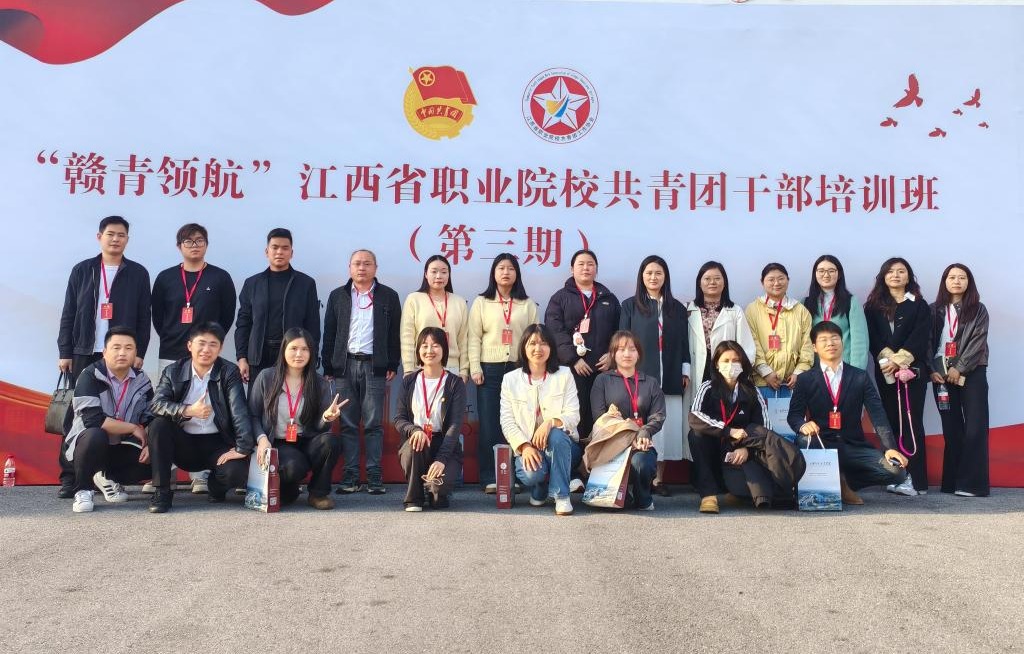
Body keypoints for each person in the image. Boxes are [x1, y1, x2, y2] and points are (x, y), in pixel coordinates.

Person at [57, 215, 152, 498]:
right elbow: (69, 312)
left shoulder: (137, 273)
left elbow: (144, 317)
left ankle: (105, 474)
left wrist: (139, 352)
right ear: (100, 237)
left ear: (127, 239)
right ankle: (71, 477)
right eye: (110, 234)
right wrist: (65, 351)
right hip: (85, 351)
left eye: (121, 235)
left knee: (119, 410)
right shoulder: (83, 270)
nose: (115, 239)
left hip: (121, 352)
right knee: (77, 416)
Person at [151, 222, 236, 494]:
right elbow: (158, 316)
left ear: (206, 245)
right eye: (188, 241)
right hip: (172, 353)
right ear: (179, 247)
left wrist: (208, 343)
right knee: (168, 412)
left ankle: (200, 476)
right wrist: (174, 337)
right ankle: (164, 474)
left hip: (206, 356)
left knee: (204, 408)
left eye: (199, 240)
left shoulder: (220, 278)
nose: (194, 245)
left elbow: (227, 316)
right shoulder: (165, 278)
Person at [788, 321, 909, 505]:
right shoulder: (805, 379)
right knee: (804, 440)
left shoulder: (860, 376)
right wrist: (803, 425)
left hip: (853, 445)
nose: (830, 343)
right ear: (814, 347)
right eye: (823, 340)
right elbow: (794, 415)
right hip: (822, 443)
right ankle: (834, 485)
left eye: (835, 338)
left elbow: (877, 414)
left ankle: (845, 483)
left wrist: (889, 447)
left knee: (897, 472)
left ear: (842, 342)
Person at [147, 322, 253, 513]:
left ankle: (215, 487)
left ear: (220, 348)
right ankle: (162, 491)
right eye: (201, 343)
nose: (206, 350)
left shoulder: (229, 372)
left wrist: (242, 447)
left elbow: (239, 410)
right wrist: (187, 410)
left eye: (213, 344)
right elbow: (156, 405)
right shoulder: (173, 371)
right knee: (158, 424)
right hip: (184, 444)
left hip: (218, 443)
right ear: (190, 345)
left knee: (236, 472)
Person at [689, 341, 806, 513]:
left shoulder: (752, 391)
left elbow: (763, 428)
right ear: (716, 364)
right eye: (726, 361)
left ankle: (739, 492)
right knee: (696, 435)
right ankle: (708, 495)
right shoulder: (707, 387)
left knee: (758, 440)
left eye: (736, 360)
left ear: (743, 364)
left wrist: (747, 450)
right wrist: (728, 431)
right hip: (714, 449)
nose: (731, 365)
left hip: (739, 452)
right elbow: (694, 416)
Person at [321, 249, 402, 495]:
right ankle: (351, 475)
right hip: (344, 366)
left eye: (367, 263)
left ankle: (375, 475)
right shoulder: (338, 296)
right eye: (357, 263)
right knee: (347, 423)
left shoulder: (388, 296)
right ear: (350, 267)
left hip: (374, 366)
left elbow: (394, 334)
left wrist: (392, 364)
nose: (362, 268)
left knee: (373, 423)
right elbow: (330, 332)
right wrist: (329, 365)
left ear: (375, 268)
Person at [250, 328, 345, 510]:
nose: (299, 354)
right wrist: (261, 439)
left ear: (311, 353)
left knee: (331, 442)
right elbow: (253, 414)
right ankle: (290, 485)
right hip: (279, 443)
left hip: (307, 439)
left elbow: (320, 428)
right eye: (293, 348)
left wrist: (326, 418)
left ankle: (318, 493)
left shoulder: (320, 383)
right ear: (283, 350)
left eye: (304, 349)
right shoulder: (266, 377)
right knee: (291, 477)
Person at [619, 255, 689, 496]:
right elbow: (622, 341)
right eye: (649, 273)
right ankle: (638, 477)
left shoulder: (677, 308)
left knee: (666, 428)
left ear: (665, 277)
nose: (653, 277)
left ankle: (658, 479)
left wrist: (685, 370)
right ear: (641, 276)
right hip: (640, 376)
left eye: (658, 273)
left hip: (670, 372)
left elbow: (684, 341)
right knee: (640, 424)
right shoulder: (630, 306)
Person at [468, 253, 538, 493]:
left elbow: (535, 339)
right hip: (489, 369)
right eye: (501, 268)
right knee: (489, 424)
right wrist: (475, 367)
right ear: (493, 273)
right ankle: (490, 476)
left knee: (518, 423)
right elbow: (474, 337)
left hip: (519, 369)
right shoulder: (481, 302)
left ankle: (516, 475)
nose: (506, 272)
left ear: (517, 273)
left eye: (510, 268)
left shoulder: (527, 304)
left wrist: (532, 369)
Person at [63, 327, 153, 513]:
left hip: (121, 444)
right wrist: (132, 427)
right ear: (104, 352)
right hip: (87, 444)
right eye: (116, 347)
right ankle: (83, 490)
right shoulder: (90, 375)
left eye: (128, 348)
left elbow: (151, 416)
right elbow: (92, 420)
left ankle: (107, 477)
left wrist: (151, 443)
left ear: (136, 352)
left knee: (155, 457)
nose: (122, 353)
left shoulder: (142, 380)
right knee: (95, 435)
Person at [864, 257, 932, 496]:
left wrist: (899, 360)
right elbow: (872, 337)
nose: (895, 275)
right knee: (890, 422)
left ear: (908, 276)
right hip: (885, 373)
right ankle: (895, 476)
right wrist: (888, 360)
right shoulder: (872, 307)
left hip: (912, 373)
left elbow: (921, 337)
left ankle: (917, 480)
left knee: (912, 424)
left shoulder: (920, 305)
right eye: (890, 271)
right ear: (883, 276)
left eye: (901, 271)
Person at [499, 324, 581, 516]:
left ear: (551, 347)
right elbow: (507, 421)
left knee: (556, 436)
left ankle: (562, 496)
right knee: (531, 474)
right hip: (529, 447)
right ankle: (541, 486)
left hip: (563, 445)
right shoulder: (510, 379)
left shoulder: (564, 374)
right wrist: (525, 446)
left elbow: (573, 415)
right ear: (524, 347)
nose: (538, 348)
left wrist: (550, 423)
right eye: (532, 343)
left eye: (544, 343)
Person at [544, 249, 621, 439]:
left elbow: (620, 331)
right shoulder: (560, 298)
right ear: (572, 269)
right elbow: (554, 331)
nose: (586, 268)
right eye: (581, 264)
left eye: (590, 264)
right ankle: (575, 456)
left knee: (602, 418)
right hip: (572, 370)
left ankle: (600, 455)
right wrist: (573, 359)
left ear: (596, 269)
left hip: (603, 370)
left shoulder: (609, 299)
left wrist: (613, 355)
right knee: (574, 417)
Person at [929, 263, 990, 497]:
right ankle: (952, 483)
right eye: (952, 277)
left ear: (969, 282)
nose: (956, 281)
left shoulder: (978, 309)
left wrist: (960, 368)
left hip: (972, 373)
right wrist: (931, 369)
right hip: (941, 374)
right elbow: (926, 342)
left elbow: (978, 341)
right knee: (951, 429)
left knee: (975, 427)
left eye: (962, 277)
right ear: (944, 281)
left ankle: (973, 485)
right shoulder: (934, 309)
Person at [235, 228, 320, 391]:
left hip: (292, 356)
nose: (279, 252)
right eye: (275, 247)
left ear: (291, 253)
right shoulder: (252, 284)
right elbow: (243, 324)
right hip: (258, 357)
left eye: (285, 248)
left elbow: (313, 326)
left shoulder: (306, 284)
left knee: (290, 402)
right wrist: (242, 358)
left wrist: (311, 358)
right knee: (257, 403)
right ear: (267, 251)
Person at [393, 328, 467, 512]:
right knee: (415, 443)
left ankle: (434, 490)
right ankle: (414, 497)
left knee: (437, 490)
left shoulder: (455, 383)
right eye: (424, 346)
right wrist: (414, 430)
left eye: (435, 345)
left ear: (444, 350)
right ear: (418, 349)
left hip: (444, 444)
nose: (429, 350)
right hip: (418, 443)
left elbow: (455, 426)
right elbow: (399, 419)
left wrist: (442, 459)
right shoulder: (409, 381)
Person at [589, 330, 663, 511]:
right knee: (613, 505)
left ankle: (642, 497)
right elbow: (599, 417)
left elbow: (658, 415)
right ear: (613, 354)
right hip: (611, 442)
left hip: (641, 443)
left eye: (632, 349)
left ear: (639, 354)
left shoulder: (651, 383)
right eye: (621, 349)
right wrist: (628, 435)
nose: (627, 354)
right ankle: (620, 496)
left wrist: (645, 431)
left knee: (642, 462)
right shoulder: (602, 380)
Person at [745, 263, 814, 407]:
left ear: (788, 280)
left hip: (793, 384)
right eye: (771, 279)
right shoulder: (752, 310)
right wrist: (766, 372)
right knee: (764, 421)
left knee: (793, 420)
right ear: (762, 282)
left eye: (781, 278)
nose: (776, 283)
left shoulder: (800, 311)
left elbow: (807, 346)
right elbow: (751, 344)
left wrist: (799, 373)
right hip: (763, 383)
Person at [400, 254, 470, 380]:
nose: (439, 276)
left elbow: (464, 339)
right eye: (434, 271)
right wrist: (409, 369)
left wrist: (464, 370)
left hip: (452, 368)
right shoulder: (414, 299)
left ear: (449, 275)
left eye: (444, 272)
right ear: (426, 274)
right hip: (421, 367)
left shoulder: (459, 302)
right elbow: (407, 337)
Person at [802, 255, 869, 369]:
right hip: (814, 369)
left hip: (844, 368)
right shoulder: (805, 303)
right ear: (815, 274)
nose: (826, 275)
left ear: (839, 274)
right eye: (821, 271)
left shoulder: (851, 302)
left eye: (831, 271)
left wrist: (856, 372)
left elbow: (860, 341)